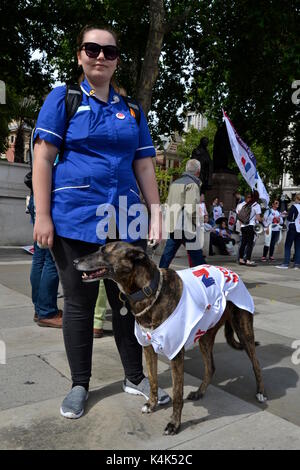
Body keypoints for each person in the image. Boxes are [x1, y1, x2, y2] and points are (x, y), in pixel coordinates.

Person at [32, 24, 170, 419]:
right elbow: (43, 157)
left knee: (130, 301)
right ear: (79, 55)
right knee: (78, 302)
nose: (100, 57)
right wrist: (43, 215)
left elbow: (143, 163)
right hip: (75, 219)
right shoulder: (63, 99)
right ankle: (79, 384)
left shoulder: (132, 111)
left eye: (109, 52)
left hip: (125, 222)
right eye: (92, 49)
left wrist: (156, 212)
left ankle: (133, 376)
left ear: (117, 62)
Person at [159, 159, 206, 268]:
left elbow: (167, 203)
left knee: (167, 257)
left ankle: (157, 279)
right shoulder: (192, 185)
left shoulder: (175, 183)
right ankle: (206, 279)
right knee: (198, 259)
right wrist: (195, 223)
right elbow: (191, 208)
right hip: (186, 226)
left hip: (173, 225)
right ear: (198, 171)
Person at [28, 191, 62, 328]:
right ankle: (46, 312)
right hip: (49, 199)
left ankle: (40, 309)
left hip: (36, 199)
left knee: (40, 257)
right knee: (51, 260)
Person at [276, 193, 300, 269]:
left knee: (287, 245)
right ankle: (296, 264)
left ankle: (286, 263)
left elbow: (290, 218)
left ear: (297, 198)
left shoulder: (294, 206)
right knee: (298, 247)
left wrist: (285, 215)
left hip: (293, 226)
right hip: (299, 227)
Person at [237, 190, 261, 266]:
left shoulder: (245, 204)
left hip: (243, 226)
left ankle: (241, 259)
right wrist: (262, 219)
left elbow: (239, 215)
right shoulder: (256, 205)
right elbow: (258, 218)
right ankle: (248, 260)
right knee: (250, 244)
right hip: (251, 226)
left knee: (243, 243)